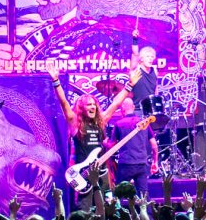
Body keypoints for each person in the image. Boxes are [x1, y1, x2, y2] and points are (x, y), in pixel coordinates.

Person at [48, 63, 140, 208]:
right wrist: (56, 81)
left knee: (106, 208)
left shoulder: (100, 122)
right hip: (84, 174)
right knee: (85, 210)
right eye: (88, 105)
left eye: (94, 105)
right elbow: (64, 103)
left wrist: (129, 85)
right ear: (82, 108)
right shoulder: (76, 124)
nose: (92, 107)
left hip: (101, 172)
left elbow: (115, 104)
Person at [108, 96, 159, 196]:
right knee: (143, 195)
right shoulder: (144, 123)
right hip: (141, 163)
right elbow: (154, 145)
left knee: (118, 194)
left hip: (126, 164)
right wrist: (155, 162)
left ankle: (118, 206)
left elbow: (111, 146)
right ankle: (145, 206)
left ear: (122, 108)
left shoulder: (119, 124)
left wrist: (104, 142)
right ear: (133, 107)